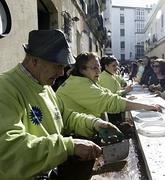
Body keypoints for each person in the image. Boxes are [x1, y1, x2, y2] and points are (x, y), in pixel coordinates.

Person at [0, 29, 121, 180]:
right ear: (35, 61)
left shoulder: (45, 86)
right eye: (58, 66)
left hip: (47, 171)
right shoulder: (5, 88)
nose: (62, 73)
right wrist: (68, 146)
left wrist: (94, 123)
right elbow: (9, 148)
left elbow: (64, 115)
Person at [56, 52, 162, 129]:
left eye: (98, 67)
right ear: (82, 69)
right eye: (94, 68)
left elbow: (107, 94)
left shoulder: (85, 80)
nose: (98, 71)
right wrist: (147, 107)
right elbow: (110, 101)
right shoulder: (78, 84)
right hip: (77, 135)